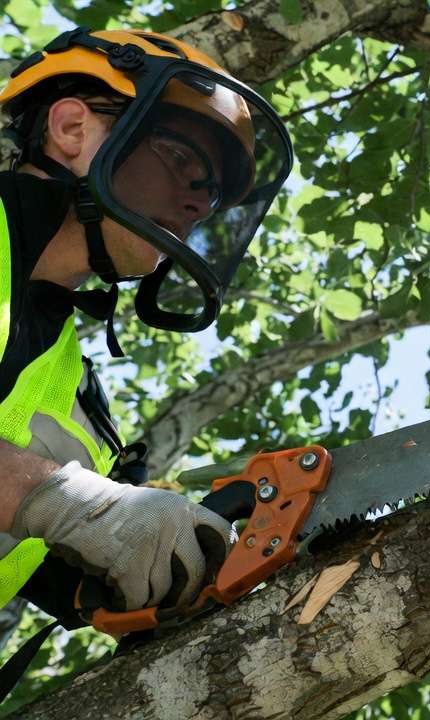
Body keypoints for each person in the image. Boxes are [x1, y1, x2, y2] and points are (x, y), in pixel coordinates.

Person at [0, 26, 293, 641]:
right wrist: (72, 503)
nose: (196, 205)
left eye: (209, 196)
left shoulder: (71, 396)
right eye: (182, 159)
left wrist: (193, 555)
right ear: (73, 130)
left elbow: (76, 578)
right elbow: (71, 507)